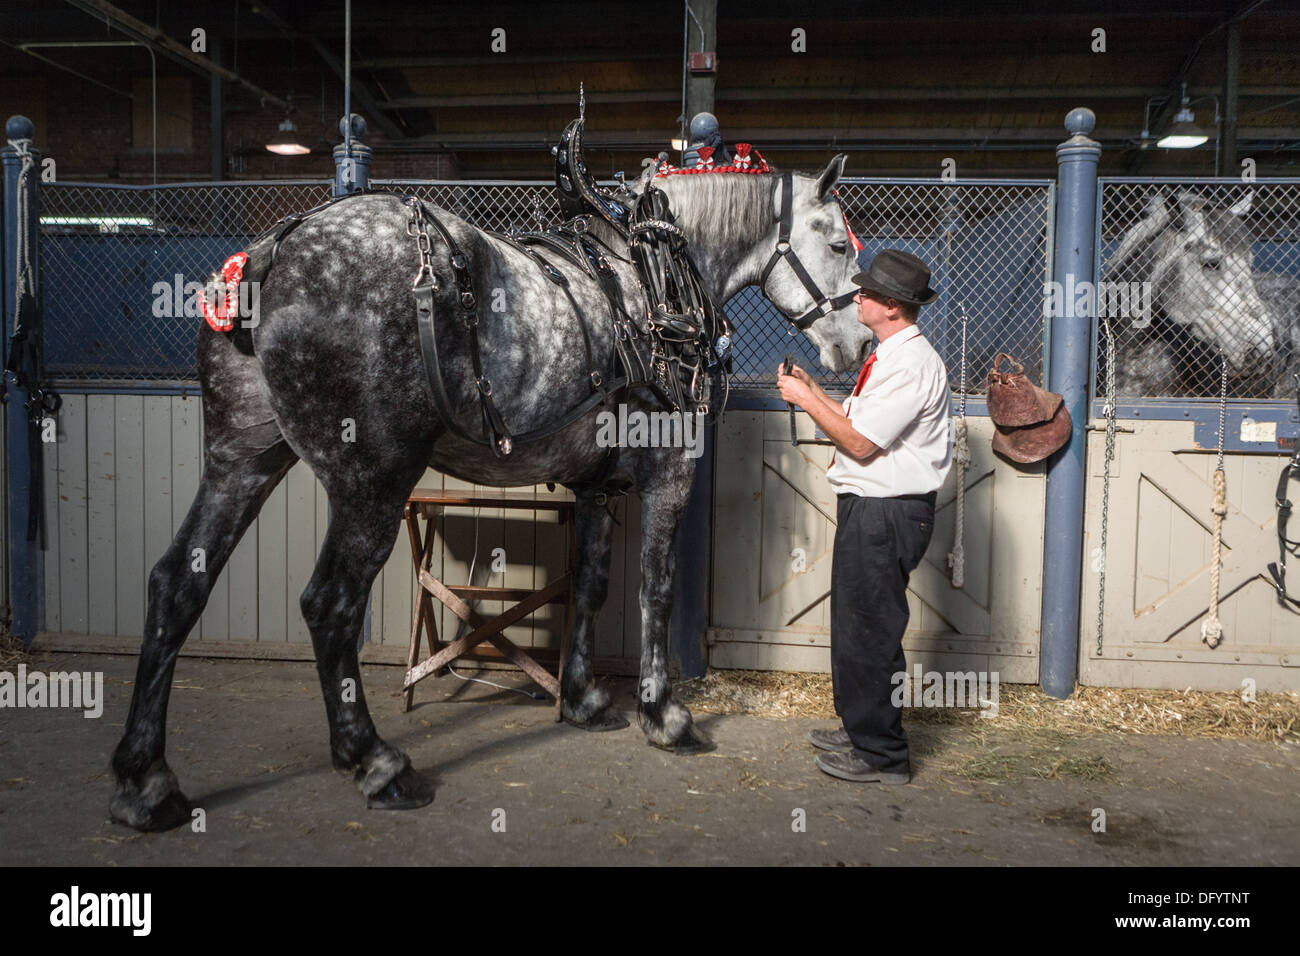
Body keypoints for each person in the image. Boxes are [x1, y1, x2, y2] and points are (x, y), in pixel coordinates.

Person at [776, 249, 953, 784]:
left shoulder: (910, 363)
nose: (858, 297)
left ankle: (881, 755)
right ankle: (859, 729)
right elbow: (857, 420)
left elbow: (859, 442)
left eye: (868, 294)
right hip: (874, 510)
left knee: (872, 632)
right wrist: (812, 390)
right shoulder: (891, 357)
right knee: (856, 628)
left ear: (893, 308)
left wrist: (804, 402)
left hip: (887, 513)